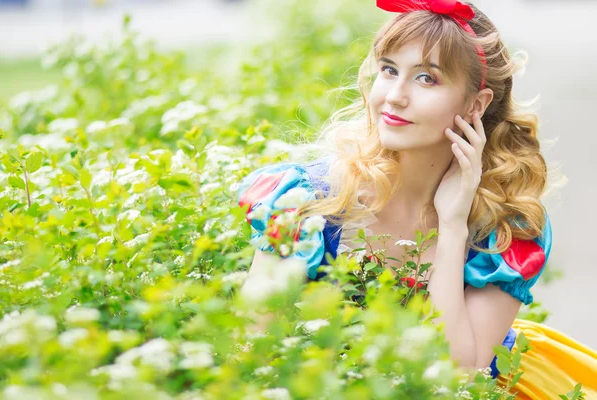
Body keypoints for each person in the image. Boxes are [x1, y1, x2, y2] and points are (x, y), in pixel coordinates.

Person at [236, 0, 597, 398]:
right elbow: (251, 353)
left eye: (426, 78)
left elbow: (458, 376)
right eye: (389, 70)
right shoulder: (308, 203)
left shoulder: (504, 226)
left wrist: (453, 225)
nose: (394, 96)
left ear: (476, 105)